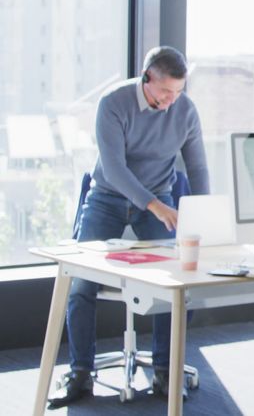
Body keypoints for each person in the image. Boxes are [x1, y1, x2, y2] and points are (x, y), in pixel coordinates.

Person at [49, 46, 209, 409]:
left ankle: (166, 370)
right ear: (146, 78)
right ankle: (80, 373)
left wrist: (205, 213)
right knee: (80, 284)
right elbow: (115, 168)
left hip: (158, 197)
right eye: (165, 92)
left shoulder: (185, 111)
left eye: (178, 92)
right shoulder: (114, 103)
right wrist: (154, 205)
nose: (171, 101)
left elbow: (197, 169)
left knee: (176, 282)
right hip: (108, 195)